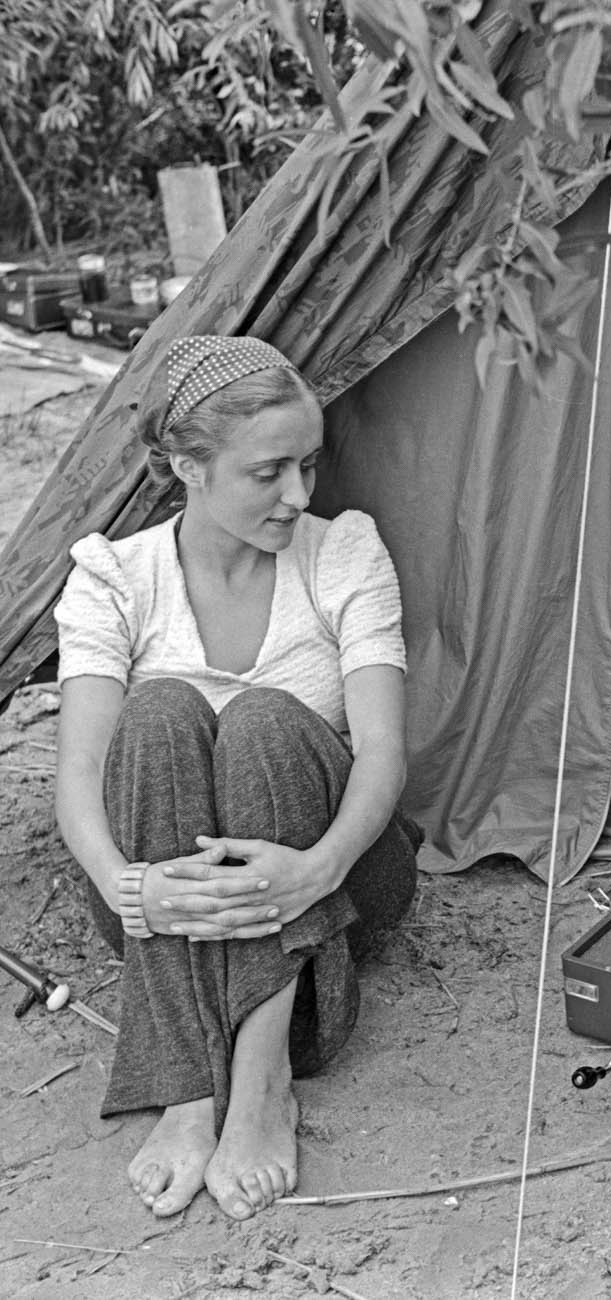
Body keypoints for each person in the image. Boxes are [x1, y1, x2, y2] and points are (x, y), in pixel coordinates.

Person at [53, 335, 420, 1222]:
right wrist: (126, 884)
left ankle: (260, 1084)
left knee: (260, 719)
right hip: (165, 906)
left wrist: (318, 867)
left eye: (308, 464)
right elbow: (81, 772)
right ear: (189, 466)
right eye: (269, 473)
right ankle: (187, 1091)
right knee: (160, 710)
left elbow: (381, 752)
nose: (299, 495)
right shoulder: (114, 575)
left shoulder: (345, 552)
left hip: (333, 881)